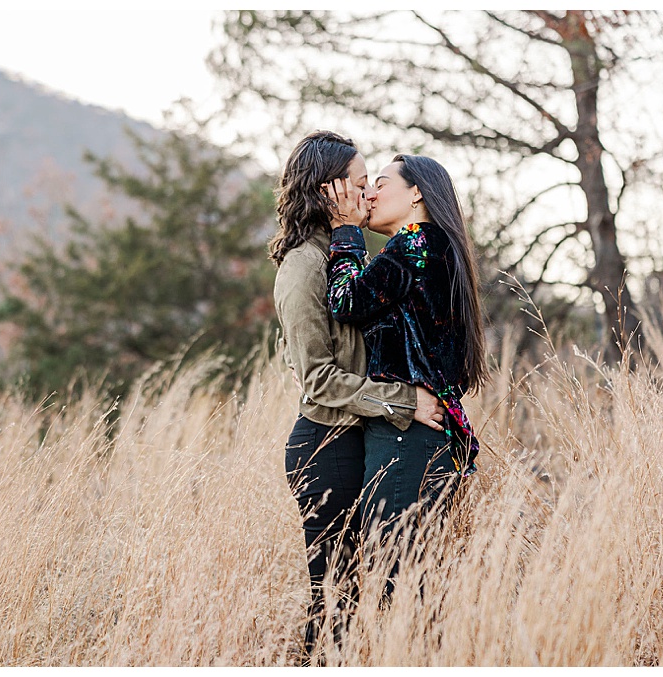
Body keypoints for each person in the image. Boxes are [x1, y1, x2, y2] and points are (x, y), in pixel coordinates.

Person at [268, 131, 446, 662]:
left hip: (361, 439)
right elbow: (318, 379)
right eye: (360, 182)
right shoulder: (303, 266)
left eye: (375, 183)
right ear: (328, 189)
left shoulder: (348, 253)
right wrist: (404, 400)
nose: (368, 193)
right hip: (325, 446)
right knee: (335, 600)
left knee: (380, 587)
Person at [323, 154, 488, 542]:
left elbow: (345, 301)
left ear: (416, 192)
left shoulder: (414, 242)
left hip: (406, 434)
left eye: (380, 184)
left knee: (393, 571)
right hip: (426, 433)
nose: (370, 195)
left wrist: (346, 232)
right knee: (413, 572)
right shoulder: (436, 247)